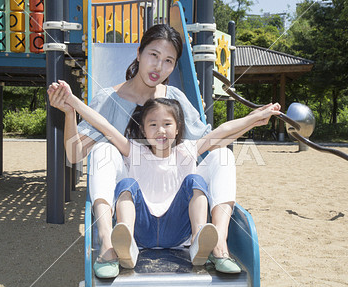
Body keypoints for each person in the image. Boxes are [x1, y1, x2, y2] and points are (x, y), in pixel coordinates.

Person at [48, 24, 256, 278]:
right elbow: (74, 154)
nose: (159, 66)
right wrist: (70, 111)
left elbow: (208, 141)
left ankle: (219, 243)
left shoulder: (175, 99)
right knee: (104, 150)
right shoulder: (109, 99)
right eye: (153, 55)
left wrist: (255, 118)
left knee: (223, 155)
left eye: (168, 61)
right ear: (139, 53)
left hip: (172, 202)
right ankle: (108, 243)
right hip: (132, 202)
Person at [47, 86, 280, 273]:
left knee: (213, 164)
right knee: (116, 171)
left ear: (178, 129)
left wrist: (254, 118)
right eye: (153, 125)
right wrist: (74, 103)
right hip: (140, 228)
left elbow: (222, 131)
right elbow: (104, 126)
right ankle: (115, 242)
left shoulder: (187, 150)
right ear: (144, 131)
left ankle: (210, 243)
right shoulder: (134, 151)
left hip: (179, 229)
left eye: (167, 124)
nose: (161, 130)